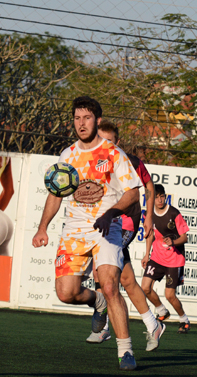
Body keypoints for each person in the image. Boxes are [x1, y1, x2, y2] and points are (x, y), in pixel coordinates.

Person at [32, 96, 141, 371]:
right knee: (65, 293)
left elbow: (133, 193)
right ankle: (97, 302)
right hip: (75, 230)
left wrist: (111, 213)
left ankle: (125, 350)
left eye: (87, 118)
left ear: (98, 120)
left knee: (109, 284)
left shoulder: (113, 153)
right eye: (77, 118)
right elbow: (56, 195)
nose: (81, 123)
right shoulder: (67, 155)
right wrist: (42, 227)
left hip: (107, 228)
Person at [85, 120, 165, 351]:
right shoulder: (95, 161)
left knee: (106, 276)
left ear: (117, 142)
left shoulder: (129, 161)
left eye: (109, 140)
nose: (104, 144)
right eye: (100, 140)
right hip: (107, 224)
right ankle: (152, 324)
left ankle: (106, 328)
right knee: (126, 279)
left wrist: (149, 216)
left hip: (126, 224)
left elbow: (148, 185)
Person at [141, 184, 191, 333]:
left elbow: (185, 237)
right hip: (157, 257)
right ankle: (162, 311)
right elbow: (150, 235)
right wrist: (146, 254)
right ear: (151, 199)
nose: (160, 200)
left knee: (169, 295)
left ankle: (184, 320)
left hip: (174, 259)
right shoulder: (148, 214)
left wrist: (173, 242)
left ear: (165, 196)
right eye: (156, 197)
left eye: (162, 196)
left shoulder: (174, 213)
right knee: (145, 288)